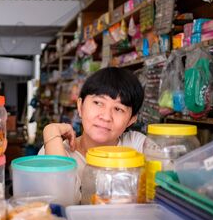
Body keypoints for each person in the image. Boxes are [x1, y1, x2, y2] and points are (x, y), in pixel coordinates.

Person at [39, 67, 146, 202]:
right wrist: (50, 131)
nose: (106, 117)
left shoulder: (136, 145)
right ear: (80, 106)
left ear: (131, 120)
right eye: (98, 103)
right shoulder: (54, 149)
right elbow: (62, 202)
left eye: (118, 109)